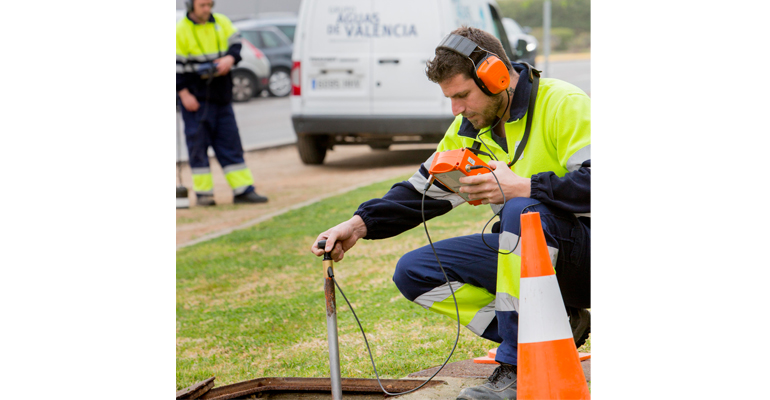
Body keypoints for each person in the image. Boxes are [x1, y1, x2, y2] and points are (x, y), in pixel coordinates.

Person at [311, 26, 590, 400]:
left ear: (497, 77)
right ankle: (557, 326)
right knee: (416, 272)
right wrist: (359, 225)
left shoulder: (563, 103)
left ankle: (517, 367)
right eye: (450, 99)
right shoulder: (469, 129)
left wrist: (524, 187)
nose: (456, 109)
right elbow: (420, 193)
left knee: (523, 211)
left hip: (589, 259)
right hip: (532, 255)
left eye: (462, 95)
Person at [176, 0, 268, 206]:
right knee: (197, 147)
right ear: (191, 5)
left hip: (222, 98)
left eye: (209, 4)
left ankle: (243, 190)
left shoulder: (222, 22)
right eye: (202, 5)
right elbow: (175, 67)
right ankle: (204, 195)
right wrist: (183, 94)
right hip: (195, 101)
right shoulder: (180, 30)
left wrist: (229, 59)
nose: (207, 9)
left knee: (231, 144)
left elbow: (237, 45)